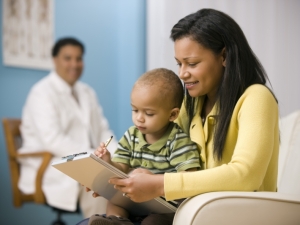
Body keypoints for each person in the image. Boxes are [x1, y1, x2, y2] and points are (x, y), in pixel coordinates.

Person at [78, 8, 279, 225]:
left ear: (224, 56)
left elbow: (246, 175)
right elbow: (160, 153)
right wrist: (113, 177)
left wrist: (159, 183)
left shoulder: (256, 97)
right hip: (192, 213)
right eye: (179, 63)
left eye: (192, 64)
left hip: (234, 215)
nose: (182, 73)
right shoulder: (190, 105)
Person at [18, 37, 118, 218]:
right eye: (68, 58)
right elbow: (53, 140)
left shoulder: (87, 92)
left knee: (127, 176)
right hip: (51, 164)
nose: (74, 64)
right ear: (55, 60)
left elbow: (103, 130)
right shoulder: (41, 93)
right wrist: (93, 156)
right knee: (98, 183)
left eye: (79, 58)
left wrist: (119, 155)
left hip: (87, 159)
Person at [88, 68, 201, 225]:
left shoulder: (178, 141)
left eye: (149, 113)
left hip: (164, 208)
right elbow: (121, 167)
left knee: (154, 222)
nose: (139, 118)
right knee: (114, 202)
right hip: (134, 200)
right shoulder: (131, 136)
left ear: (172, 115)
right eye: (135, 110)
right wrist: (108, 162)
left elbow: (189, 180)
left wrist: (151, 179)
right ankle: (117, 221)